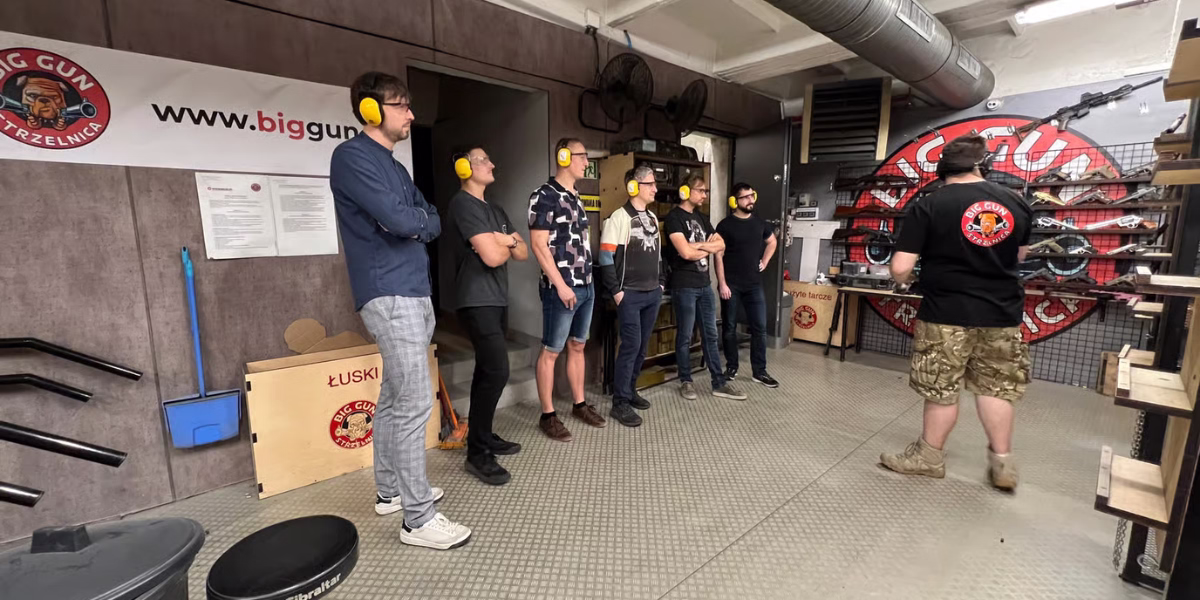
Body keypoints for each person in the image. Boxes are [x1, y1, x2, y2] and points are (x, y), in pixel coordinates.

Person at [330, 71, 470, 550]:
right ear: (372, 111)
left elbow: (427, 217)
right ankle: (418, 519)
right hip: (390, 293)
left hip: (411, 290)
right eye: (401, 105)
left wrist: (416, 223)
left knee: (393, 398)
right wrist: (414, 222)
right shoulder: (351, 158)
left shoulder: (394, 165)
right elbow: (398, 218)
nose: (411, 114)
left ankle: (390, 492)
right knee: (413, 404)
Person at [880, 133, 1032, 492]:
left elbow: (900, 268)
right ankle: (1003, 464)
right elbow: (1020, 256)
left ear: (942, 169)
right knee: (996, 388)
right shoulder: (1016, 202)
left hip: (946, 311)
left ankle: (928, 458)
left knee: (941, 389)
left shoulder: (930, 204)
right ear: (982, 164)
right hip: (1002, 311)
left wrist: (915, 272)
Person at [445, 145, 528, 486]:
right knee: (497, 370)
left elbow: (520, 252)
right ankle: (477, 454)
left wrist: (504, 240)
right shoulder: (462, 204)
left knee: (485, 371)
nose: (492, 163)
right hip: (474, 300)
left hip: (496, 299)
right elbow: (493, 258)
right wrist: (505, 244)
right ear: (465, 167)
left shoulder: (494, 208)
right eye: (483, 159)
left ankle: (483, 434)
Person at [527, 139, 607, 441]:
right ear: (563, 157)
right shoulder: (544, 196)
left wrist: (586, 283)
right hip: (559, 289)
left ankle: (579, 404)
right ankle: (547, 415)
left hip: (586, 285)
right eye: (582, 156)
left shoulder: (575, 196)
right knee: (551, 351)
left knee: (578, 346)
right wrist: (560, 285)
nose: (586, 162)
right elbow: (538, 245)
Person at [663, 175, 746, 402]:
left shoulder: (702, 218)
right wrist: (704, 248)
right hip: (684, 286)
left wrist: (699, 246)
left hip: (704, 286)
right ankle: (686, 381)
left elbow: (721, 244)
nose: (704, 195)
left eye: (706, 191)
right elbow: (685, 254)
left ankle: (718, 382)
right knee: (685, 335)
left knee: (710, 335)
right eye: (700, 190)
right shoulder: (674, 218)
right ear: (685, 192)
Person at [598, 165, 667, 427]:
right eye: (650, 184)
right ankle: (620, 403)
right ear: (633, 187)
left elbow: (658, 254)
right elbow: (605, 258)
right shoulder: (618, 218)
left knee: (641, 348)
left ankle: (630, 389)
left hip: (652, 294)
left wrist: (660, 283)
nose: (655, 188)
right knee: (629, 347)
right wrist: (616, 292)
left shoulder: (651, 218)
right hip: (629, 295)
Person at [714, 183, 779, 389]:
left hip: (753, 285)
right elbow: (718, 255)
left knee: (759, 328)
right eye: (745, 197)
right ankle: (731, 368)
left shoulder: (760, 223)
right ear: (734, 201)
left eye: (752, 195)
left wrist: (765, 261)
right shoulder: (725, 226)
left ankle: (759, 372)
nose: (751, 200)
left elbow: (772, 242)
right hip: (731, 285)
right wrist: (721, 283)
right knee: (730, 328)